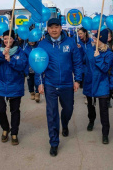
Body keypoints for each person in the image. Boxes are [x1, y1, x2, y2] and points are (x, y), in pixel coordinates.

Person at [36, 18, 82, 157]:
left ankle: (65, 123)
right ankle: (54, 143)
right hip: (50, 84)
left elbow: (77, 62)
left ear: (61, 28)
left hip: (67, 83)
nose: (54, 30)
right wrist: (39, 82)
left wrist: (77, 80)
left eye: (57, 27)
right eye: (51, 27)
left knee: (68, 109)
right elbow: (37, 65)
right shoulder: (42, 45)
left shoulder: (70, 42)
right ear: (48, 29)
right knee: (51, 114)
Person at [0, 30, 27, 146]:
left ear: (13, 39)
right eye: (5, 38)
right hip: (1, 85)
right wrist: (2, 55)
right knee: (0, 109)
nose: (7, 41)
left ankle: (14, 133)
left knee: (14, 111)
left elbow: (22, 66)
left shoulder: (20, 52)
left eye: (9, 38)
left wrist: (11, 60)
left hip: (15, 85)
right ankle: (5, 128)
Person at [82, 29, 113, 144]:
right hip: (90, 82)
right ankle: (91, 120)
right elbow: (83, 62)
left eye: (96, 39)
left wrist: (98, 57)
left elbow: (105, 68)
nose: (94, 40)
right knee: (90, 106)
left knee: (104, 110)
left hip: (102, 83)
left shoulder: (109, 53)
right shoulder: (89, 50)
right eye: (94, 38)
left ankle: (105, 133)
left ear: (102, 41)